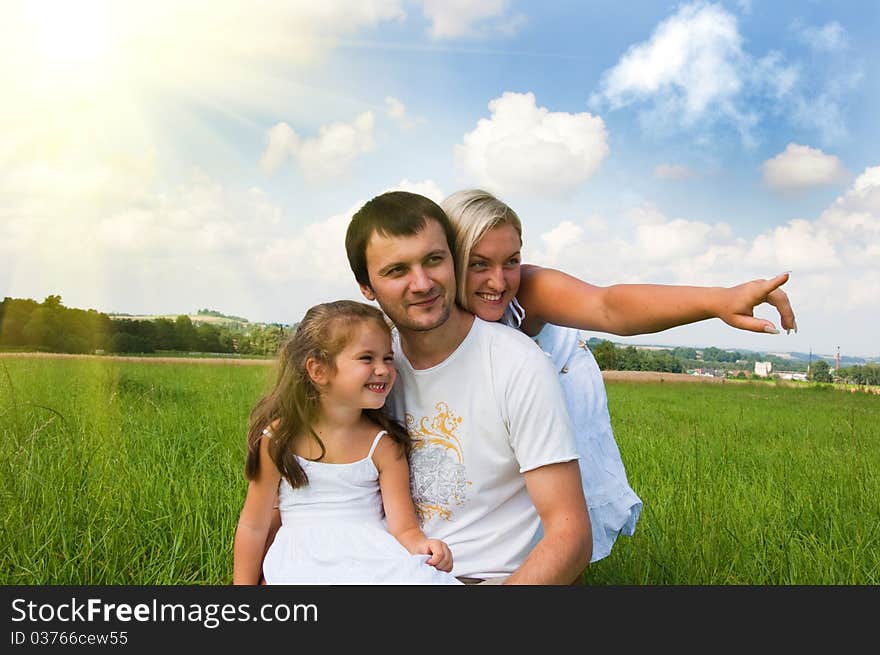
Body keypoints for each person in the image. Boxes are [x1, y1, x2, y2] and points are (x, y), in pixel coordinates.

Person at [440, 188, 798, 562]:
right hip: (488, 414)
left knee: (553, 529)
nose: (499, 282)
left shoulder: (526, 292)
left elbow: (608, 306)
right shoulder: (429, 314)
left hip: (560, 385)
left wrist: (717, 300)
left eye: (510, 261)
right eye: (478, 264)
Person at [345, 191, 592, 584]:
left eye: (434, 260)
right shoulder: (369, 369)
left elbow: (571, 535)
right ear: (366, 286)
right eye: (396, 271)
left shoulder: (517, 364)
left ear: (452, 260)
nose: (422, 283)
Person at [232, 299, 461, 585]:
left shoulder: (383, 445)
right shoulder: (279, 439)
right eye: (367, 358)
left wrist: (424, 547)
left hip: (372, 557)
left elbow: (404, 529)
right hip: (301, 561)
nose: (383, 369)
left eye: (388, 358)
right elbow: (254, 525)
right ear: (318, 371)